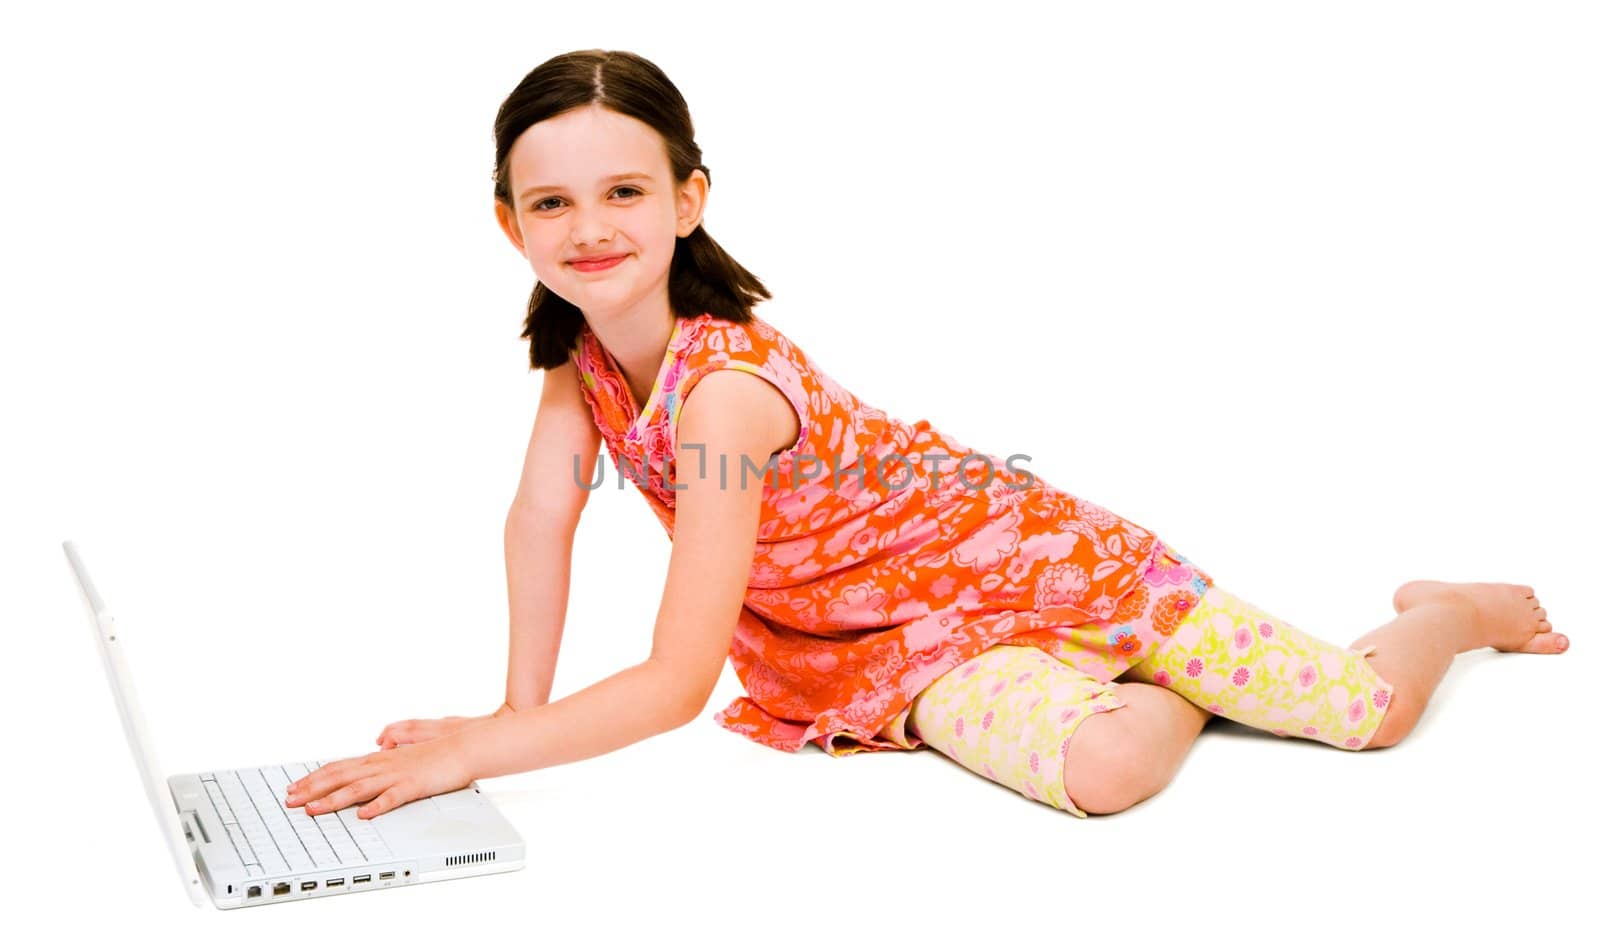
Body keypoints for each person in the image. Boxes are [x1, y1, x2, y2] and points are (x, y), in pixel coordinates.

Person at [284, 49, 1570, 821]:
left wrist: (476, 754)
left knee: (1367, 713)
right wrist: (511, 711)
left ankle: (1447, 606)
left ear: (689, 200)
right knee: (1109, 767)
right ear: (509, 223)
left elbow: (678, 682)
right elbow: (538, 519)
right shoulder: (580, 364)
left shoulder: (722, 387)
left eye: (624, 191)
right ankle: (1154, 691)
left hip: (1033, 567)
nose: (589, 227)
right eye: (549, 201)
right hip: (886, 638)